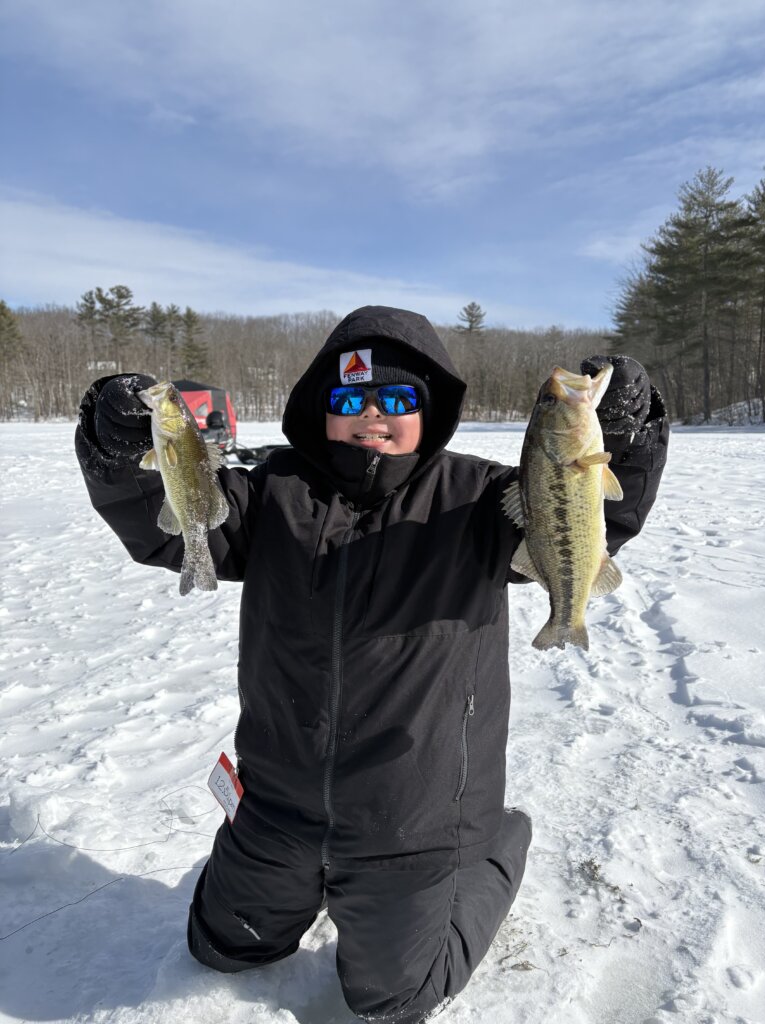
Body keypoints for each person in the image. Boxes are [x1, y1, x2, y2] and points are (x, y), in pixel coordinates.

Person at [74, 305, 668, 1023]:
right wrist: (117, 436)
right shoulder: (268, 496)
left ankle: (493, 846)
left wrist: (630, 434)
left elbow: (596, 513)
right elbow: (166, 521)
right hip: (279, 805)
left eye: (398, 400)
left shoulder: (480, 500)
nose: (372, 416)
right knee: (223, 948)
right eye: (349, 399)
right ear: (321, 409)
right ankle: (305, 883)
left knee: (393, 997)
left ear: (431, 409)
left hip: (415, 817)